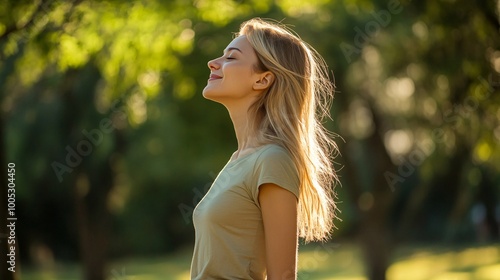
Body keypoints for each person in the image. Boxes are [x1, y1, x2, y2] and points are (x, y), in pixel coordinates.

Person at [190, 18, 339, 280]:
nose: (213, 63)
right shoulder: (240, 159)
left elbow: (282, 276)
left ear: (263, 80)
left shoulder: (271, 160)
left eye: (231, 58)